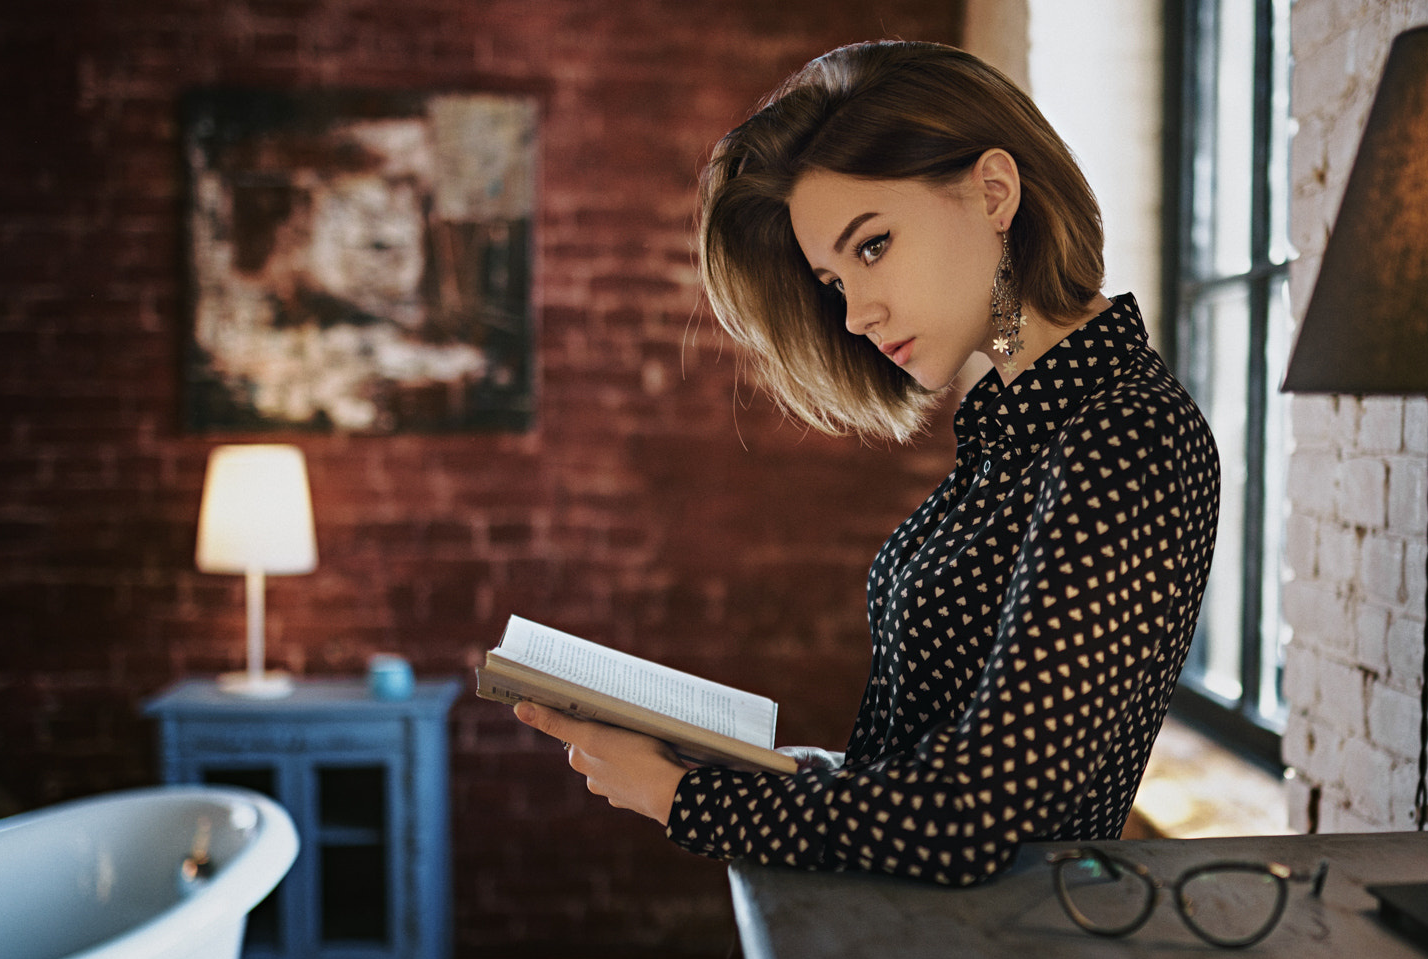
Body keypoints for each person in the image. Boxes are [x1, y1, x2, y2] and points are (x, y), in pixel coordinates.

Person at [516, 40, 1221, 886]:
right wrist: (750, 766)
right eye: (833, 280)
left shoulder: (1124, 433)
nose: (855, 315)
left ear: (994, 192)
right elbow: (929, 760)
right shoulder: (1017, 424)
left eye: (874, 246)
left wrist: (682, 801)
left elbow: (975, 817)